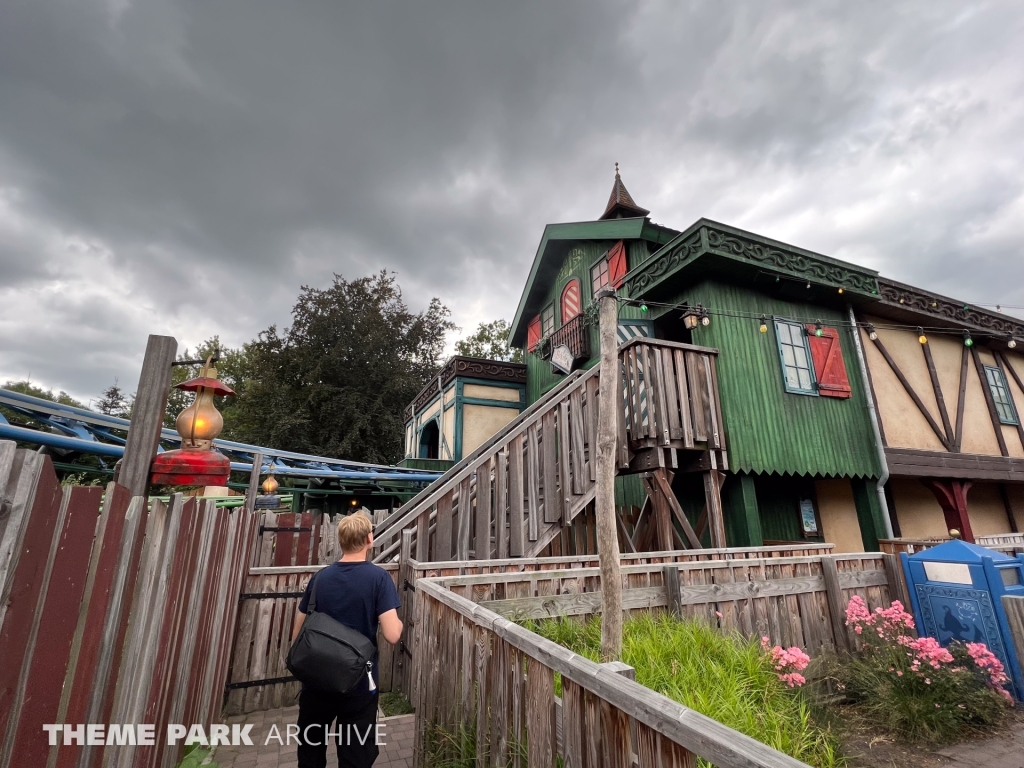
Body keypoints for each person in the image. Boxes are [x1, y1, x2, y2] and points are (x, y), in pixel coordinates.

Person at [292, 511, 403, 768]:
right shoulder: (379, 579)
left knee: (310, 754)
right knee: (355, 756)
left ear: (341, 541)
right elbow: (392, 634)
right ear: (369, 539)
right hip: (357, 685)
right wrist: (397, 621)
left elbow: (297, 634)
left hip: (316, 681)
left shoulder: (320, 578)